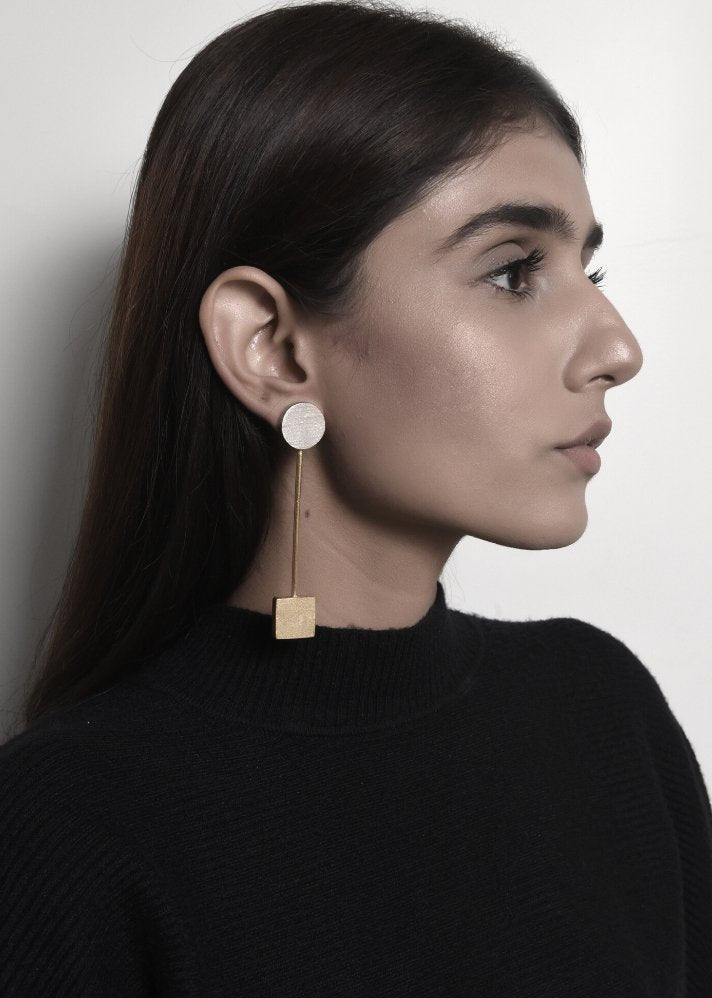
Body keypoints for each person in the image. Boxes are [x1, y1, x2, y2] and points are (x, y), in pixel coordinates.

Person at [2, 0, 711, 993]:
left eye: (587, 268)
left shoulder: (604, 717)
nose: (618, 347)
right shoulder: (67, 823)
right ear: (273, 347)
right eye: (514, 272)